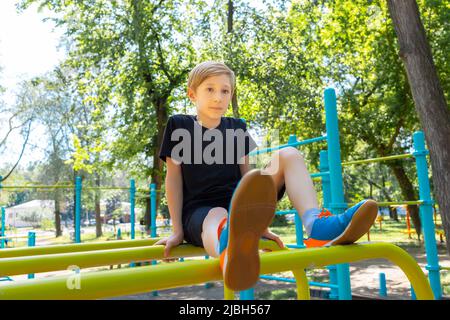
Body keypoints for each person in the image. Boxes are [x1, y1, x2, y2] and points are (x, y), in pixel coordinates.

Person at [155, 61, 378, 291]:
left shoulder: (236, 127)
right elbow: (173, 180)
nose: (218, 97)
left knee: (289, 154)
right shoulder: (180, 125)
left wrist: (258, 223)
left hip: (239, 206)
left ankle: (316, 227)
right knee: (218, 215)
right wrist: (177, 230)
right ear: (192, 94)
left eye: (225, 91)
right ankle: (231, 249)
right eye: (209, 89)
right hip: (201, 212)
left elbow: (249, 180)